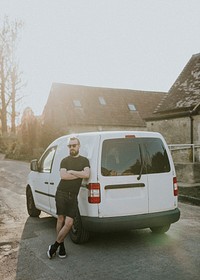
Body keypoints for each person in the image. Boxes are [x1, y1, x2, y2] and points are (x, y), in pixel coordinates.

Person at [47, 137, 90, 259]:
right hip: (61, 193)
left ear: (79, 146)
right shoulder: (64, 161)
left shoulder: (84, 161)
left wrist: (72, 171)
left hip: (73, 196)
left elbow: (86, 174)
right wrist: (78, 173)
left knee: (69, 223)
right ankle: (62, 246)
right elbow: (63, 176)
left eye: (74, 145)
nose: (72, 148)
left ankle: (54, 246)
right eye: (70, 146)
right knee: (60, 219)